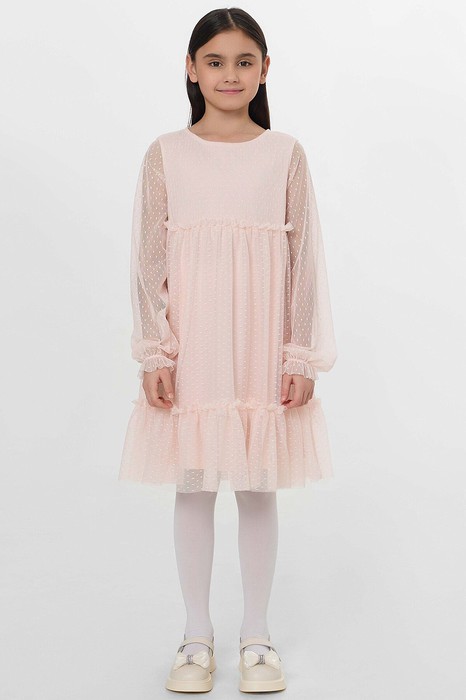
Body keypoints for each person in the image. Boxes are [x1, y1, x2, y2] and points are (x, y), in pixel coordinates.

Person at [119, 7, 337, 694]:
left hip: (259, 345)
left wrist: (297, 354)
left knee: (256, 486)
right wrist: (157, 352)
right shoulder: (166, 154)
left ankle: (257, 637)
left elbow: (303, 262)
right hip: (197, 348)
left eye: (244, 61)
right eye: (214, 61)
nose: (230, 74)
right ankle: (195, 635)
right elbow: (148, 262)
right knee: (192, 486)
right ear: (191, 69)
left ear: (265, 69)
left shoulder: (285, 155)